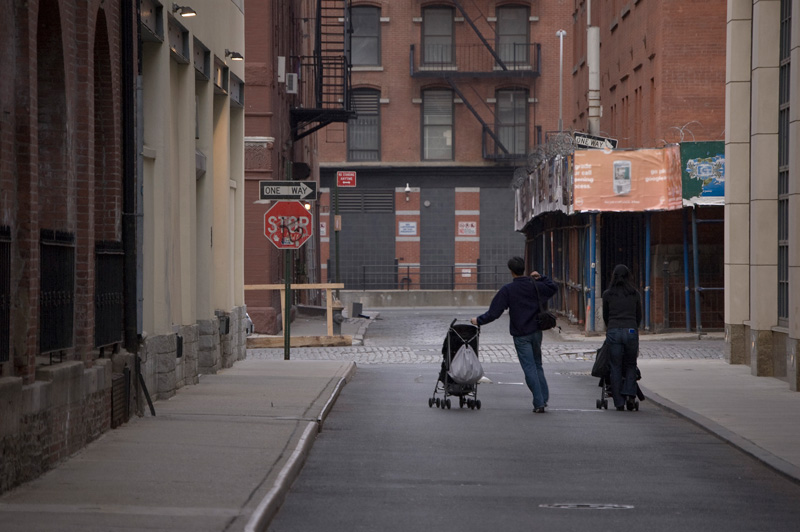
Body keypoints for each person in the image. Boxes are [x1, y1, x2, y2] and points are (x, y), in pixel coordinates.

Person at [470, 256, 557, 413]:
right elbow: (552, 287)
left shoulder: (508, 290)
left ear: (511, 271)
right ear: (524, 269)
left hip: (521, 333)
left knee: (529, 367)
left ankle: (539, 402)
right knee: (537, 365)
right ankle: (543, 398)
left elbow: (494, 312)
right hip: (537, 332)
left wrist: (478, 320)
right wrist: (541, 277)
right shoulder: (535, 285)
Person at [602, 264, 643, 411]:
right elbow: (639, 315)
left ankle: (618, 401)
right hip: (631, 329)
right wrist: (634, 327)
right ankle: (630, 395)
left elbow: (605, 316)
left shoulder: (608, 294)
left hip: (614, 330)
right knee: (631, 364)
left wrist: (611, 327)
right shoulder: (635, 294)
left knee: (615, 366)